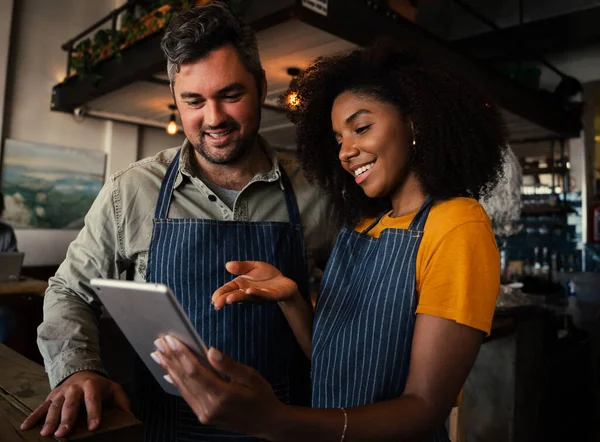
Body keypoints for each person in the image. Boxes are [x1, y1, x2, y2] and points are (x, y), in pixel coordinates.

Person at [151, 42, 507, 441]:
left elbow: (424, 407)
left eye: (361, 127)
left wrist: (276, 420)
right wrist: (290, 299)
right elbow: (332, 359)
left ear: (415, 122)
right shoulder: (365, 225)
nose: (346, 151)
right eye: (338, 138)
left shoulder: (457, 225)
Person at [22, 2, 335, 441]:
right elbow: (69, 290)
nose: (214, 119)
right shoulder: (130, 190)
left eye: (231, 95)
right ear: (175, 98)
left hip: (287, 428)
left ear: (261, 86)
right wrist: (78, 370)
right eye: (193, 101)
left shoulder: (317, 192)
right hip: (163, 428)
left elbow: (349, 318)